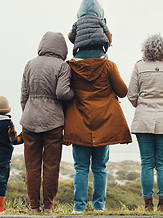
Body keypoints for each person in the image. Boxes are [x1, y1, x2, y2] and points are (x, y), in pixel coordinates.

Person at [63, 44, 132, 213]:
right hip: (104, 124)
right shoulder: (108, 66)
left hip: (79, 123)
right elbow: (123, 91)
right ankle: (99, 207)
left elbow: (63, 93)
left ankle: (78, 208)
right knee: (100, 167)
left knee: (80, 167)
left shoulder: (70, 67)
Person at [20, 31, 74, 213]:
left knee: (32, 166)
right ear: (62, 48)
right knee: (51, 165)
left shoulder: (30, 64)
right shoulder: (62, 66)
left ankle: (34, 207)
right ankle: (48, 207)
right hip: (53, 122)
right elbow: (62, 93)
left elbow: (24, 95)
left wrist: (27, 113)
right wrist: (73, 96)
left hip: (29, 120)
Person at [127, 34, 163, 212]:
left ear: (146, 49)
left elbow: (131, 95)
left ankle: (148, 204)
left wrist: (142, 105)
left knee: (147, 163)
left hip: (143, 119)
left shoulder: (139, 66)